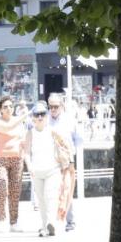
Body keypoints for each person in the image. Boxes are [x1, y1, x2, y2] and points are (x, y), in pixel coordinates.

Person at [21, 103, 71, 238]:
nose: (40, 117)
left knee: (51, 196)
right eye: (37, 115)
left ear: (47, 116)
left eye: (43, 114)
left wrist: (68, 162)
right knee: (41, 200)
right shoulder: (30, 133)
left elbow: (65, 146)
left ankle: (51, 223)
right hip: (37, 171)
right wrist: (29, 166)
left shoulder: (53, 131)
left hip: (53, 170)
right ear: (33, 118)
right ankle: (44, 226)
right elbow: (26, 152)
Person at [46, 93, 81, 231]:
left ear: (62, 106)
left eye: (56, 106)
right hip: (50, 160)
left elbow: (78, 140)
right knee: (50, 191)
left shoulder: (69, 120)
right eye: (51, 106)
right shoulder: (45, 120)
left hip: (67, 161)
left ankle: (70, 221)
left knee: (66, 189)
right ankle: (50, 222)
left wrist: (73, 157)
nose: (53, 109)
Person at [0, 96, 25, 233]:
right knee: (2, 185)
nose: (9, 109)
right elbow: (8, 127)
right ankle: (1, 218)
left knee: (15, 191)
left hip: (17, 158)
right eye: (5, 107)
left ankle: (14, 222)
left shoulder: (19, 122)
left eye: (11, 106)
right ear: (0, 109)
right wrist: (26, 114)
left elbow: (22, 138)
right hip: (0, 158)